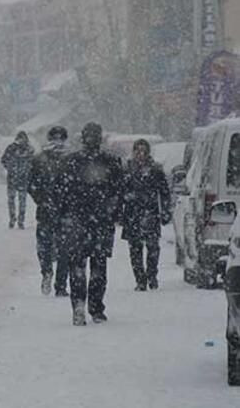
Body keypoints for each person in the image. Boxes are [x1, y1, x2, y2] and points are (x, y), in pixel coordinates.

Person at [57, 122, 123, 326]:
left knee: (81, 266)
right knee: (96, 267)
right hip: (95, 220)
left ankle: (82, 305)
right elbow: (118, 191)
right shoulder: (108, 162)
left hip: (82, 220)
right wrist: (113, 212)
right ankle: (93, 307)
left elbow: (59, 191)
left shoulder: (72, 162)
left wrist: (63, 214)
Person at [121, 139, 172, 291]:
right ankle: (140, 279)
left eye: (144, 151)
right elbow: (120, 191)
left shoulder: (155, 170)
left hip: (151, 213)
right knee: (135, 249)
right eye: (138, 151)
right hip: (132, 214)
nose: (141, 154)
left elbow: (164, 192)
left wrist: (165, 211)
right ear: (134, 152)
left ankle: (152, 275)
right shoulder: (128, 170)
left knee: (153, 247)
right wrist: (125, 199)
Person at [28, 126, 70, 297]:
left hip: (58, 210)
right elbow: (31, 184)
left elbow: (31, 184)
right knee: (58, 248)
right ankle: (53, 278)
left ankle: (55, 279)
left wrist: (42, 199)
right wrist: (43, 200)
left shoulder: (43, 159)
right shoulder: (42, 159)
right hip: (57, 210)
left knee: (57, 247)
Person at [1, 131, 34, 229]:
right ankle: (18, 220)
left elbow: (3, 160)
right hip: (21, 178)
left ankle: (16, 219)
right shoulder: (29, 149)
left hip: (15, 178)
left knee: (15, 200)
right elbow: (33, 163)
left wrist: (10, 168)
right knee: (20, 201)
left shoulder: (12, 148)